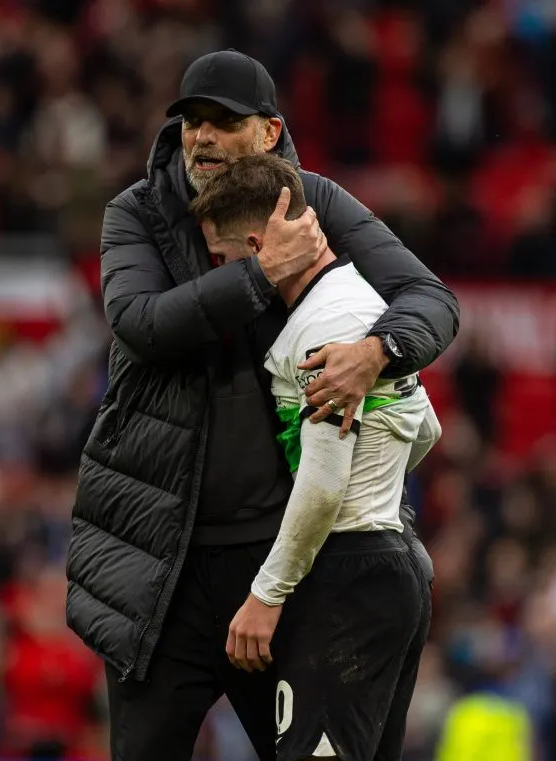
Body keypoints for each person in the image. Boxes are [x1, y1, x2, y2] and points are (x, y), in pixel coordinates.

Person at [66, 49, 459, 761]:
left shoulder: (318, 204)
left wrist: (377, 353)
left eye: (223, 122)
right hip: (160, 567)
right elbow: (140, 324)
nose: (201, 137)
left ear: (270, 131)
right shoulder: (138, 213)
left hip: (282, 564)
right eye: (191, 122)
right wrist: (262, 272)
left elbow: (432, 301)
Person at [189, 153, 440, 761]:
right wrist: (377, 483)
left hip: (348, 574)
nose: (219, 274)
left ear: (256, 247)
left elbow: (324, 486)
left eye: (221, 259)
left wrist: (265, 595)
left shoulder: (326, 324)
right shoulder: (358, 302)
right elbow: (427, 428)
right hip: (388, 564)